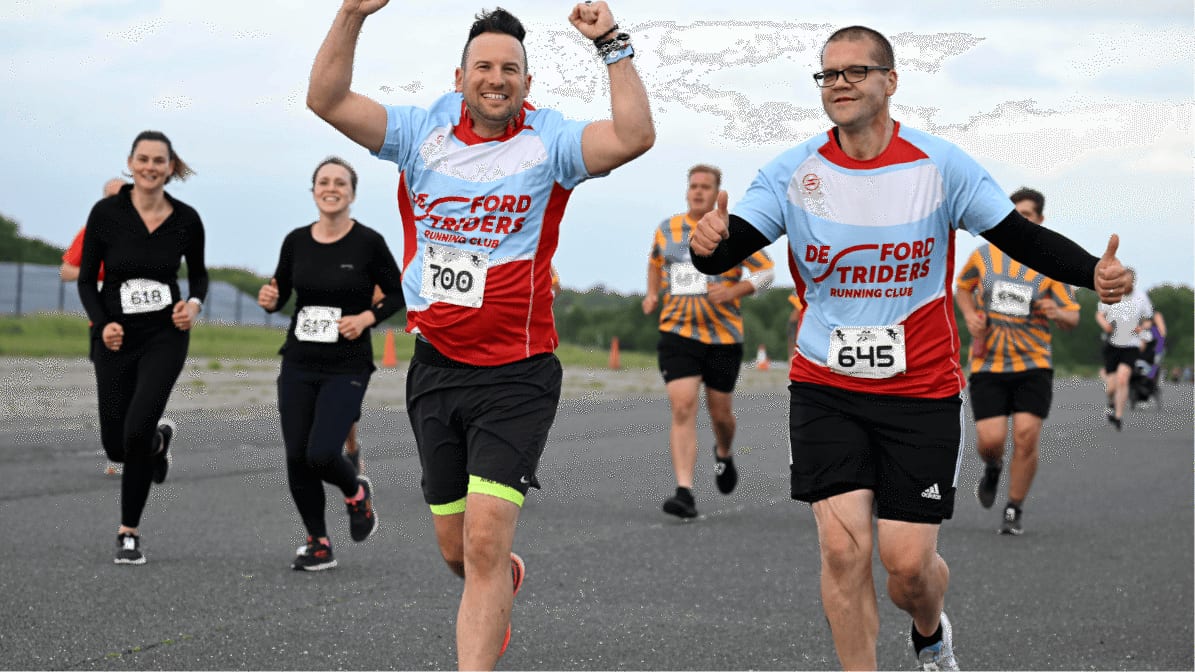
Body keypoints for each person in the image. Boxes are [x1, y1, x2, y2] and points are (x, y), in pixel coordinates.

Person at [687, 26, 1129, 670]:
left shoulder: (939, 166)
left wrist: (1094, 273)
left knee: (907, 567)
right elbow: (728, 246)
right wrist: (709, 247)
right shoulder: (791, 171)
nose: (839, 84)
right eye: (828, 75)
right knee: (842, 553)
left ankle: (929, 631)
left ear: (890, 82)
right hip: (825, 385)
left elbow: (1020, 240)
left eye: (854, 72)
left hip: (919, 389)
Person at [306, 1, 653, 667]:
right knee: (457, 552)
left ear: (527, 82)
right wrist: (352, 12)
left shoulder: (549, 141)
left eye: (510, 69)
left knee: (486, 545)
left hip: (516, 374)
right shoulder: (418, 131)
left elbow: (634, 136)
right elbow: (325, 98)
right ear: (459, 75)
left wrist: (609, 43)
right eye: (484, 67)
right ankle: (496, 585)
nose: (496, 78)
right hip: (436, 367)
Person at [258, 157, 404, 571]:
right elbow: (280, 291)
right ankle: (318, 542)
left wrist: (366, 318)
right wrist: (270, 301)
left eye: (340, 182)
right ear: (314, 190)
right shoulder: (296, 241)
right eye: (323, 181)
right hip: (300, 360)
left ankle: (356, 492)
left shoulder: (369, 243)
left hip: (347, 365)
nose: (331, 187)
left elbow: (398, 294)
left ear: (352, 194)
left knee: (322, 452)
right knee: (295, 455)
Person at [77, 130, 207, 566]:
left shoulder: (186, 219)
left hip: (164, 337)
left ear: (171, 167)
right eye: (143, 159)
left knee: (134, 432)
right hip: (115, 336)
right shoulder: (106, 213)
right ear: (130, 163)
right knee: (117, 444)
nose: (151, 167)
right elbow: (85, 279)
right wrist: (103, 322)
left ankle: (128, 532)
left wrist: (192, 305)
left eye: (159, 161)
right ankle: (158, 443)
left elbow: (199, 277)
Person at [642, 163, 774, 518]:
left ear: (717, 193)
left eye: (706, 187)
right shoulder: (666, 229)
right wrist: (652, 294)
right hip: (677, 332)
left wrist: (734, 290)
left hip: (722, 338)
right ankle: (684, 491)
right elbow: (655, 263)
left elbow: (766, 271)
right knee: (683, 406)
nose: (698, 191)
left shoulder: (728, 231)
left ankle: (724, 453)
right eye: (693, 186)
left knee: (722, 416)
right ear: (687, 190)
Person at [955, 188, 1080, 535]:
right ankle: (993, 468)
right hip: (989, 364)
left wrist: (1057, 311)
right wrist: (969, 316)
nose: (1021, 220)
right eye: (1016, 214)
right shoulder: (984, 257)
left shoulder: (1052, 265)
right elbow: (962, 288)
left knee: (1026, 436)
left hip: (1033, 364)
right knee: (991, 440)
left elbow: (1072, 317)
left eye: (1028, 215)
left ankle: (1013, 508)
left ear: (1040, 220)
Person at [60, 177, 129, 476]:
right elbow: (66, 270)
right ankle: (122, 451)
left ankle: (140, 443)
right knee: (113, 389)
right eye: (109, 198)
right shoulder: (90, 232)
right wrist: (99, 275)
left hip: (141, 324)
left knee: (138, 386)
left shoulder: (146, 232)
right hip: (101, 321)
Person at [1095, 268, 1152, 430]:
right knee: (1111, 386)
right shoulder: (1112, 295)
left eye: (1128, 281)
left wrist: (1141, 328)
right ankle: (1111, 402)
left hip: (1131, 344)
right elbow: (1099, 314)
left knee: (1123, 378)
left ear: (1133, 281)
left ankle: (1118, 416)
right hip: (1113, 344)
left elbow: (1148, 320)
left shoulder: (1141, 298)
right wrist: (1105, 324)